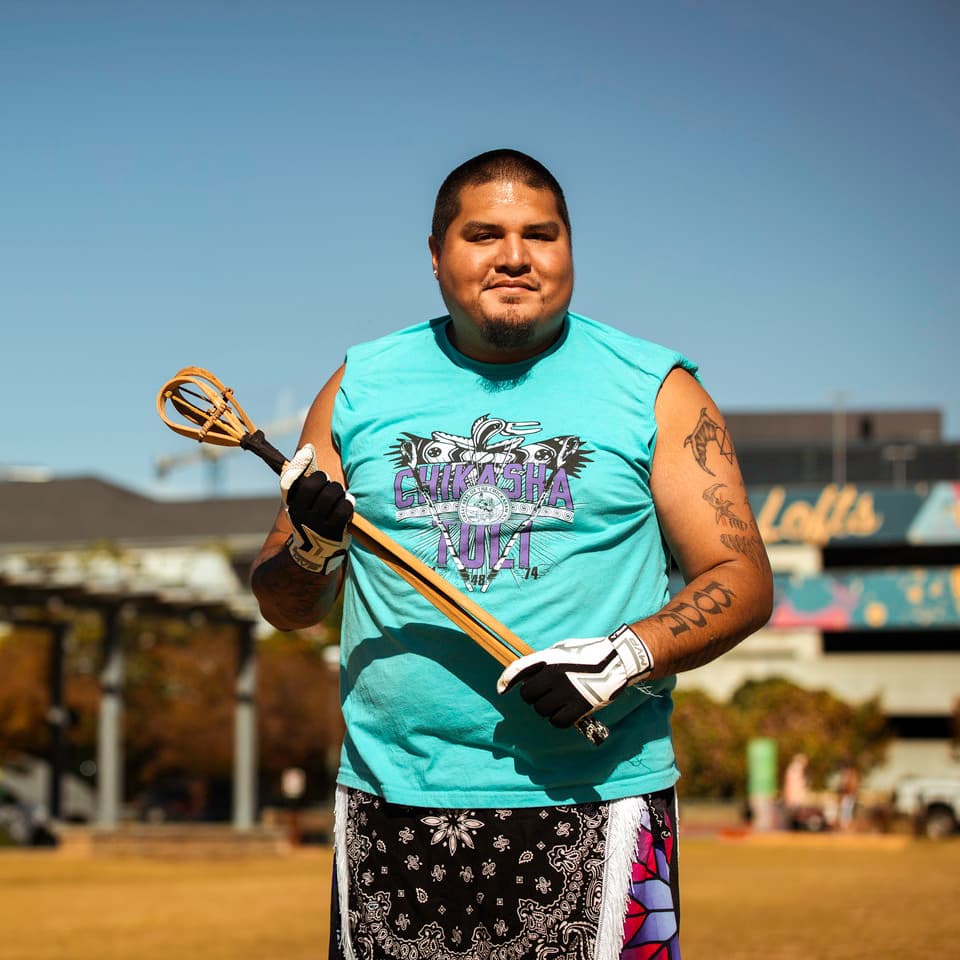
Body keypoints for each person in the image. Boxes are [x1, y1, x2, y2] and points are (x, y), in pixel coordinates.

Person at [250, 149, 774, 959]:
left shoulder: (655, 387)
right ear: (436, 255)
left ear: (570, 250)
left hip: (602, 800)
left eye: (542, 234)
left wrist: (622, 657)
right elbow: (286, 604)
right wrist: (315, 549)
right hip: (391, 800)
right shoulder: (360, 386)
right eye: (483, 234)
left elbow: (740, 577)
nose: (515, 257)